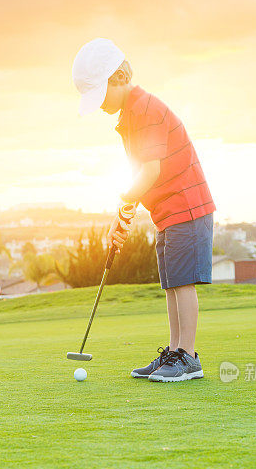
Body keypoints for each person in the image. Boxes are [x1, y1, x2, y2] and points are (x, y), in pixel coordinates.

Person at [72, 37, 216, 382]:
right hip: (167, 212)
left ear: (118, 79)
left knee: (183, 283)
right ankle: (174, 351)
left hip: (187, 208)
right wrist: (123, 214)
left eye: (100, 94)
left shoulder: (146, 110)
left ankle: (188, 356)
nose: (100, 105)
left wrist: (124, 208)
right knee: (171, 282)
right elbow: (141, 174)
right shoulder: (131, 115)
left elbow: (149, 171)